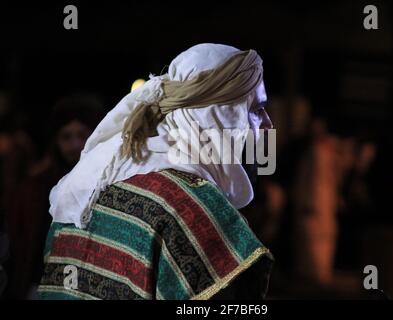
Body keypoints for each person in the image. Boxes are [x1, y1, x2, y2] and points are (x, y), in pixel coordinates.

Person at [37, 44, 274, 300]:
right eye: (255, 109)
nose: (267, 123)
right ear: (220, 115)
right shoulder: (193, 207)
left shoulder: (81, 185)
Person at [5, 94, 104, 299]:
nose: (76, 144)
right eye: (66, 137)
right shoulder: (35, 189)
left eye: (82, 135)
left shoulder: (104, 183)